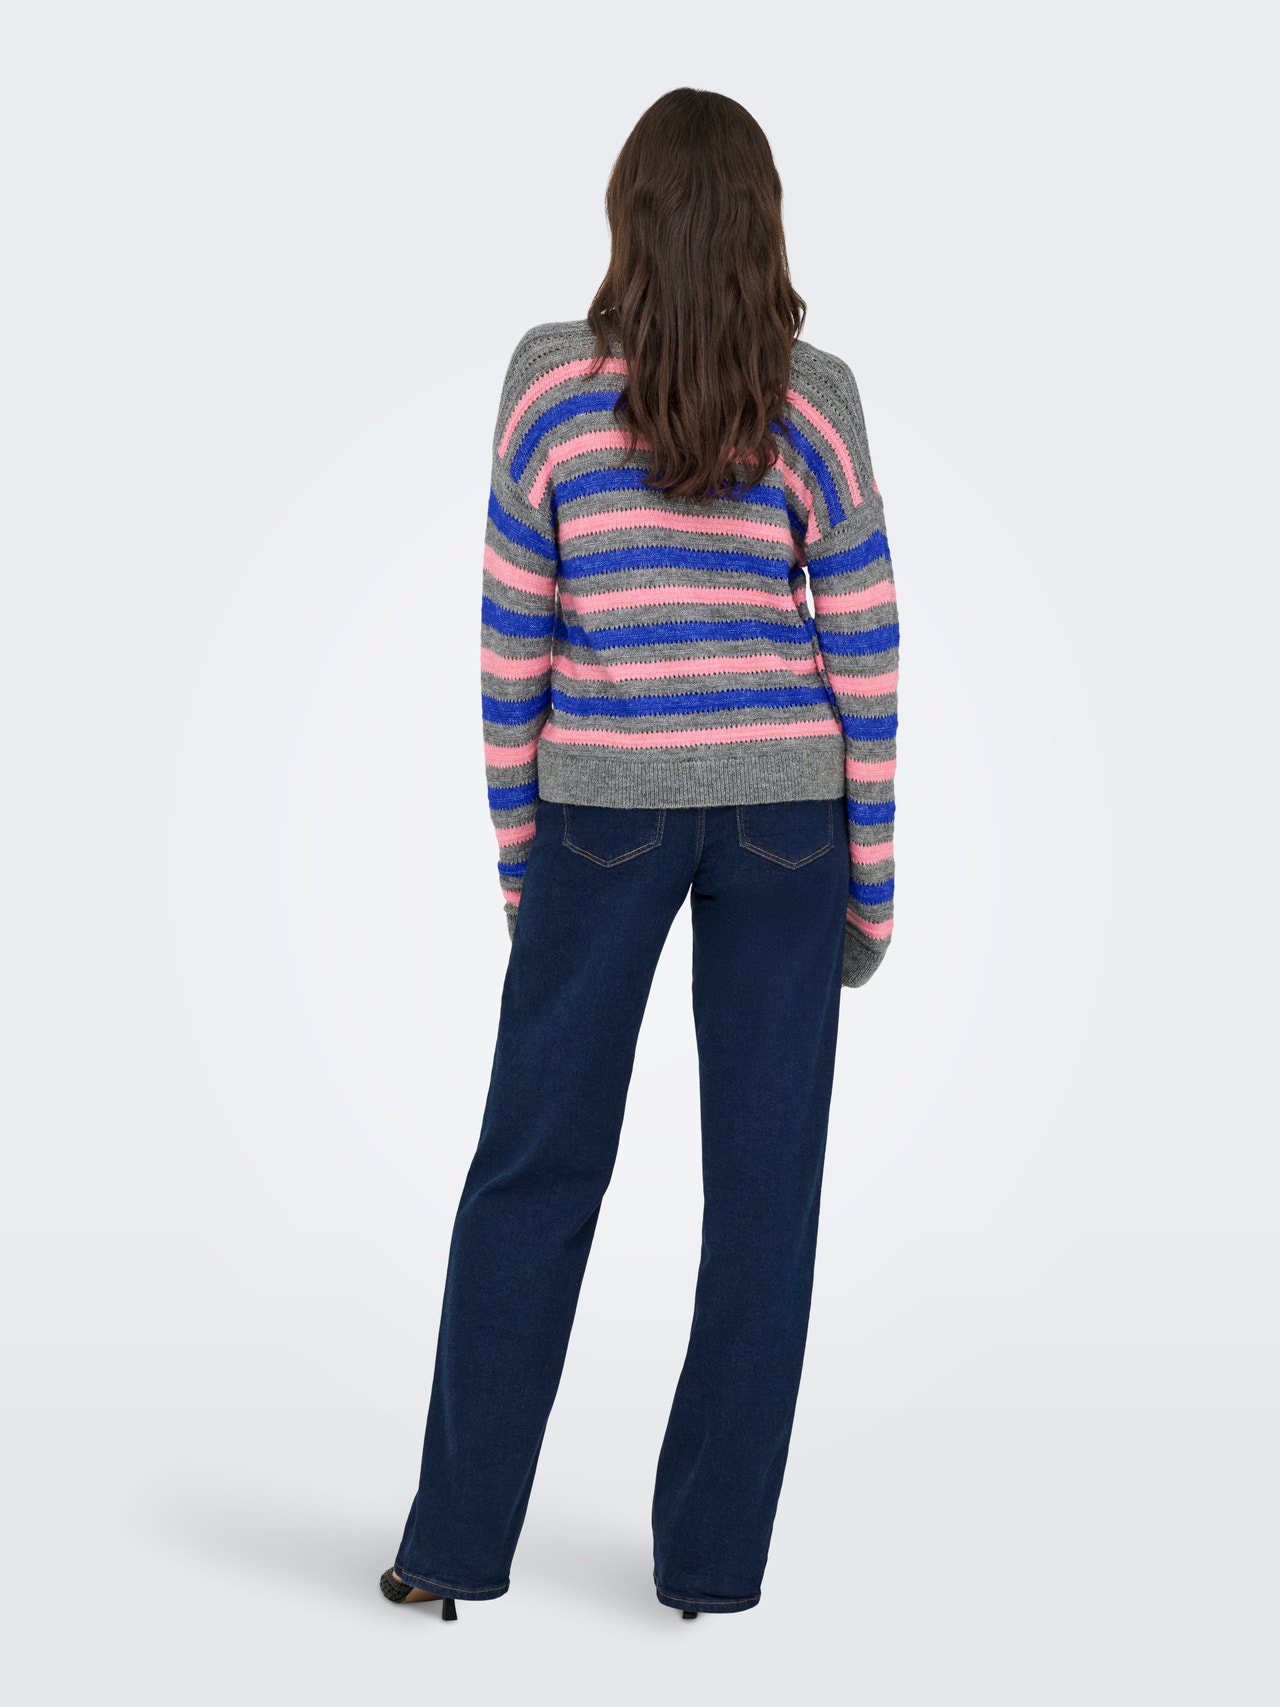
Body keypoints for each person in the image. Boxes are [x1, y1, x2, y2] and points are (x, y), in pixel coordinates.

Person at [381, 85, 899, 1622]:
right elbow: (866, 653)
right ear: (762, 228)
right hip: (789, 819)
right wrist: (870, 882)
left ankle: (451, 1551)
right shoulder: (815, 396)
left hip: (599, 812)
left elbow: (511, 640)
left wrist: (522, 863)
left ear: (628, 217)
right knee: (766, 1197)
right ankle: (711, 1572)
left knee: (532, 1169)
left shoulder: (549, 386)